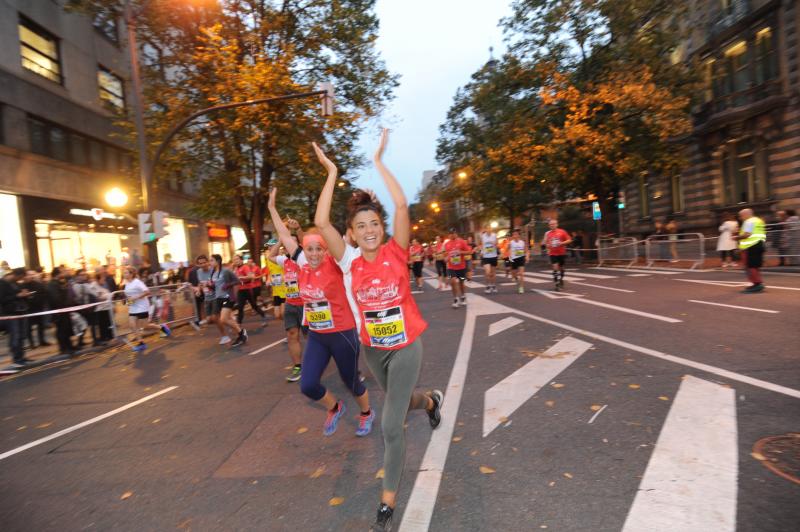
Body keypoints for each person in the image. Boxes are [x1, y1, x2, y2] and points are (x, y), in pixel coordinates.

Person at [313, 130, 443, 531]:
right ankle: (432, 402)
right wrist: (331, 172)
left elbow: (402, 203)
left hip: (406, 346)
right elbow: (320, 221)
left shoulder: (396, 252)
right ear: (350, 233)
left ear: (382, 227)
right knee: (401, 404)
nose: (369, 229)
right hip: (374, 350)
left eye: (374, 223)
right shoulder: (349, 260)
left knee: (390, 424)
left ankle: (387, 501)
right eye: (361, 225)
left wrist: (381, 160)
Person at [270, 184, 374, 437]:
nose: (314, 254)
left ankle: (366, 413)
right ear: (302, 250)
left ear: (325, 250)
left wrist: (364, 207)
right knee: (307, 385)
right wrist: (272, 207)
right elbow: (285, 236)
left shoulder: (336, 264)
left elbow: (349, 236)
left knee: (351, 382)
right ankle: (334, 407)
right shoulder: (302, 262)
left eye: (319, 249)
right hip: (317, 335)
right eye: (309, 249)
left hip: (342, 333)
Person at [266, 216, 305, 383]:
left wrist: (298, 229)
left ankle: (314, 364)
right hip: (290, 304)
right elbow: (270, 256)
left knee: (314, 339)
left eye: (293, 244)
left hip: (307, 305)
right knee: (291, 335)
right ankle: (298, 367)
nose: (290, 247)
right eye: (288, 244)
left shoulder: (304, 259)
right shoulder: (285, 261)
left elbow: (304, 242)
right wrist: (282, 238)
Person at [121, 267, 171, 352]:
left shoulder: (137, 282)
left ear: (131, 274)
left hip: (142, 306)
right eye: (124, 273)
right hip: (133, 307)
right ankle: (141, 344)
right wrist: (126, 302)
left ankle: (162, 328)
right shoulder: (126, 284)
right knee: (132, 325)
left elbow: (147, 292)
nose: (124, 274)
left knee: (145, 326)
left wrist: (136, 297)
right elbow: (129, 297)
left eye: (126, 273)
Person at [209, 255, 247, 347]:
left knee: (223, 319)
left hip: (228, 297)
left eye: (212, 260)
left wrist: (228, 285)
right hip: (218, 298)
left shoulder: (226, 271)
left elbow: (238, 281)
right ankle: (241, 333)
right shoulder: (213, 273)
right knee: (223, 319)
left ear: (218, 261)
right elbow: (216, 286)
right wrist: (210, 286)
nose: (210, 262)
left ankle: (241, 333)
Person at [0, 268, 33, 367]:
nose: (22, 279)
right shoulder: (2, 284)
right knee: (16, 336)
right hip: (10, 314)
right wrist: (18, 295)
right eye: (21, 277)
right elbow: (2, 299)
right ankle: (17, 359)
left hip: (20, 312)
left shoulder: (16, 283)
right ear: (16, 275)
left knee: (22, 335)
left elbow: (19, 295)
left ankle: (22, 356)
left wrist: (25, 295)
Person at [733, 208, 766, 293]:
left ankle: (758, 285)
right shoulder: (758, 220)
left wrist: (736, 237)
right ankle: (756, 284)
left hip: (751, 246)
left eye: (741, 216)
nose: (740, 218)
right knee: (754, 266)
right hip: (759, 244)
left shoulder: (749, 221)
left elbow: (747, 234)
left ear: (745, 214)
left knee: (751, 266)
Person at [232, 254, 267, 325]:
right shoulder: (236, 269)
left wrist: (241, 278)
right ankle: (239, 324)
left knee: (254, 306)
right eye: (234, 260)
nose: (236, 261)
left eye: (237, 259)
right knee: (240, 307)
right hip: (240, 290)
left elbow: (251, 276)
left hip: (248, 289)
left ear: (241, 260)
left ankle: (263, 315)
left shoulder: (245, 267)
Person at [47, 267, 75, 356]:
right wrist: (63, 304)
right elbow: (56, 299)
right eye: (62, 272)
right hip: (59, 311)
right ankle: (64, 348)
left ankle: (69, 346)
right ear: (58, 274)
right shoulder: (52, 285)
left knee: (66, 328)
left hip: (64, 310)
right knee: (61, 330)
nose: (64, 274)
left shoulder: (59, 283)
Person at [23, 269, 50, 348]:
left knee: (40, 326)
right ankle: (31, 343)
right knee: (28, 327)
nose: (31, 276)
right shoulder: (23, 285)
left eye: (32, 274)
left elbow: (44, 294)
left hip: (39, 308)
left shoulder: (39, 284)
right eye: (29, 274)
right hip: (28, 310)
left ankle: (42, 341)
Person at [444, 228, 471, 308]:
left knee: (461, 283)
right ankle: (455, 299)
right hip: (451, 267)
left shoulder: (461, 241)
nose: (452, 235)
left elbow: (469, 252)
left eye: (454, 233)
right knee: (453, 282)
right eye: (451, 233)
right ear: (449, 235)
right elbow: (446, 255)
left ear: (456, 233)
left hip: (461, 267)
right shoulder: (446, 244)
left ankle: (462, 297)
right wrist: (446, 258)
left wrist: (461, 252)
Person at [544, 219, 573, 290]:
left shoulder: (562, 232)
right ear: (549, 226)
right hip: (553, 254)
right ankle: (556, 284)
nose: (552, 225)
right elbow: (546, 243)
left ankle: (561, 279)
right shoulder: (548, 234)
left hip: (561, 253)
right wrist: (548, 246)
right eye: (551, 224)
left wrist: (562, 243)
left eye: (553, 224)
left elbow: (569, 240)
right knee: (555, 268)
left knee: (562, 268)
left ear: (557, 224)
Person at [265, 240, 287, 321]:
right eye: (268, 246)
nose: (269, 248)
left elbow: (290, 270)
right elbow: (270, 273)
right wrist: (268, 280)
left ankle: (291, 329)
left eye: (270, 246)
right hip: (276, 290)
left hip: (284, 289)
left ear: (276, 246)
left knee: (283, 313)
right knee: (277, 315)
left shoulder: (282, 258)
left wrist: (284, 277)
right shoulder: (268, 260)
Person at [508, 228, 529, 294]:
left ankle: (521, 287)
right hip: (514, 259)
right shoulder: (511, 242)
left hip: (521, 258)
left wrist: (527, 256)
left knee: (522, 274)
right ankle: (516, 278)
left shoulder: (522, 242)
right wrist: (510, 256)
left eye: (516, 234)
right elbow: (508, 250)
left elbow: (526, 251)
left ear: (519, 235)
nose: (515, 236)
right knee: (514, 274)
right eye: (513, 235)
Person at [480, 225, 499, 293]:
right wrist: (481, 252)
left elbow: (497, 244)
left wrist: (493, 243)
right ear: (486, 229)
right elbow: (482, 245)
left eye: (490, 228)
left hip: (493, 256)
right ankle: (488, 286)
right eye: (487, 228)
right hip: (486, 256)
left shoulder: (494, 235)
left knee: (493, 273)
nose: (489, 230)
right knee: (487, 272)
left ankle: (493, 286)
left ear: (491, 229)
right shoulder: (483, 236)